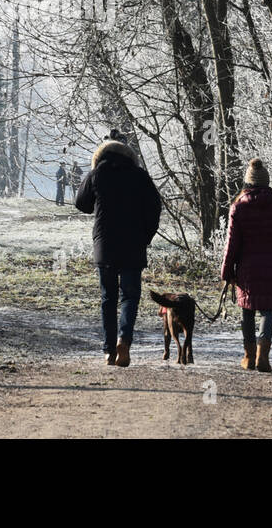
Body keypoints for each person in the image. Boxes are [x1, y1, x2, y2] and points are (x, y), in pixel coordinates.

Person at [75, 132, 161, 367]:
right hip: (133, 245)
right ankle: (124, 340)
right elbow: (155, 208)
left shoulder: (97, 173)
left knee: (108, 298)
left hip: (105, 245)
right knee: (130, 296)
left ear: (101, 154)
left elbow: (80, 203)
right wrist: (146, 236)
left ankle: (108, 350)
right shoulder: (140, 176)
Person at [220, 158, 272, 373]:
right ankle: (263, 356)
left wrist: (226, 270)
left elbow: (232, 242)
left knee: (247, 311)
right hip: (270, 265)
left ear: (247, 183)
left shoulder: (238, 207)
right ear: (267, 182)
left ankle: (249, 357)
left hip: (246, 269)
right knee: (268, 311)